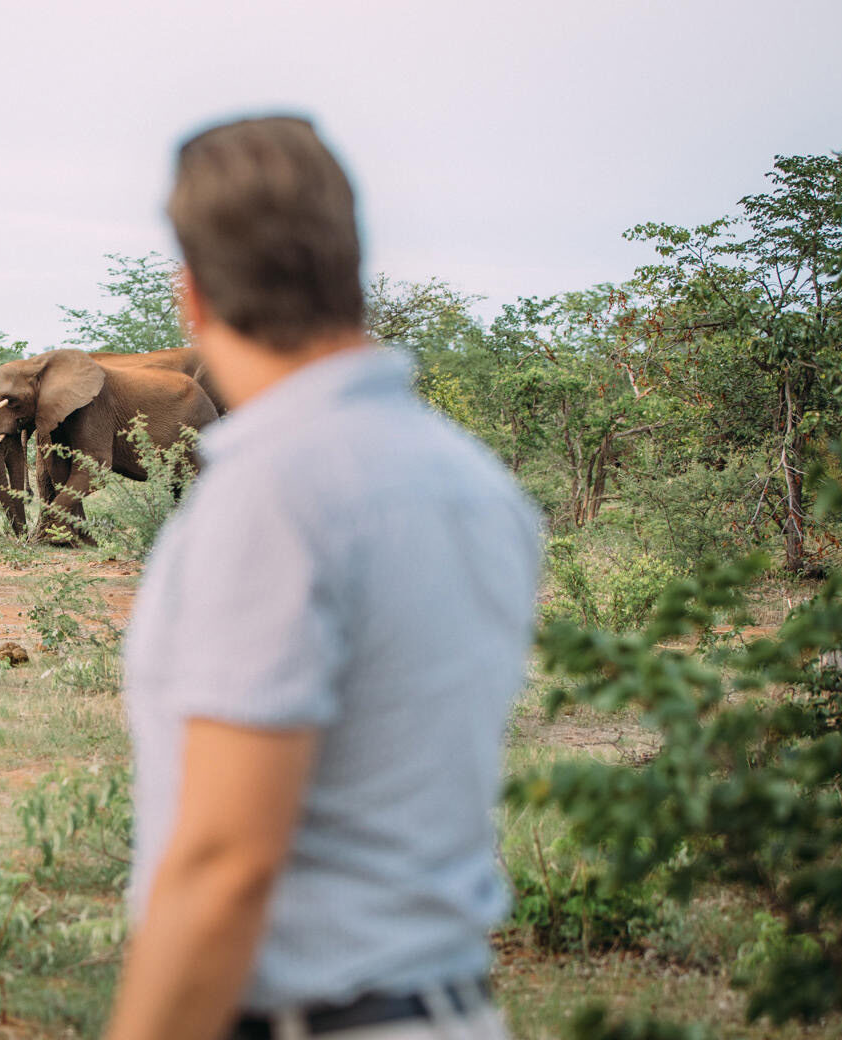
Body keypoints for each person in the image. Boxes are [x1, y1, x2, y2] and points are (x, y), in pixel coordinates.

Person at [105, 116, 540, 1040]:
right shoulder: (475, 480)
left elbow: (225, 867)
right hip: (453, 1009)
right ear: (350, 267)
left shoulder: (271, 492)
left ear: (192, 294)